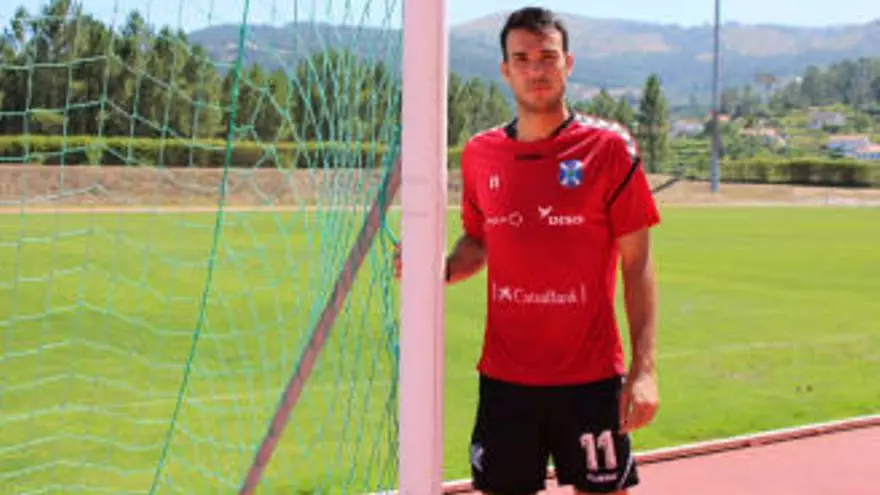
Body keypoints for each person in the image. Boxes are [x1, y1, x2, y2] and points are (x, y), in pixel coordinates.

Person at [395, 6, 661, 495]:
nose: (535, 70)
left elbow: (637, 263)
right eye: (522, 59)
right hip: (506, 379)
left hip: (590, 378)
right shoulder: (480, 154)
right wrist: (439, 269)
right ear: (505, 69)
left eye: (547, 57)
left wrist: (644, 371)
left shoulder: (608, 148)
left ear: (568, 64)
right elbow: (479, 239)